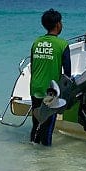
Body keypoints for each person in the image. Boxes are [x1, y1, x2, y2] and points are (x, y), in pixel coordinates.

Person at [29, 8, 71, 146]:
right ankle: (46, 156)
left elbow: (33, 66)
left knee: (36, 123)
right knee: (47, 128)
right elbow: (67, 74)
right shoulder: (62, 44)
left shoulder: (36, 42)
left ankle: (33, 148)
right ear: (58, 24)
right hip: (50, 91)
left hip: (35, 87)